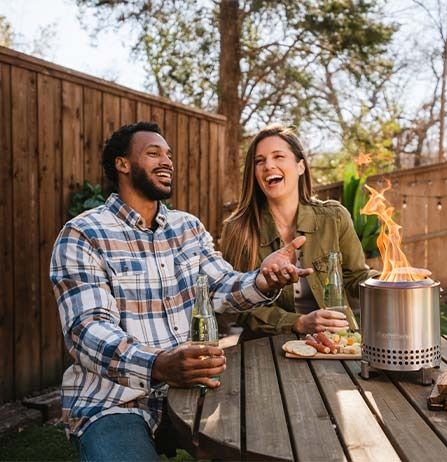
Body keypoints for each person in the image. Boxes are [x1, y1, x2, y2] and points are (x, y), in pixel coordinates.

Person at [49, 121, 312, 461]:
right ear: (122, 164)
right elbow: (87, 330)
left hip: (191, 388)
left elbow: (222, 287)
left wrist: (263, 279)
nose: (167, 161)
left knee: (281, 436)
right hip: (114, 401)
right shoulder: (84, 234)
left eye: (169, 155)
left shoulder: (187, 227)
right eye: (153, 153)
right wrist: (158, 365)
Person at [220, 123, 378, 338]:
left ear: (300, 166)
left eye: (278, 157)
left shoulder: (334, 217)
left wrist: (393, 279)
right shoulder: (237, 229)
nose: (268, 166)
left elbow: (356, 277)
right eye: (260, 161)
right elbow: (237, 301)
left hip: (336, 341)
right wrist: (298, 323)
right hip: (267, 347)